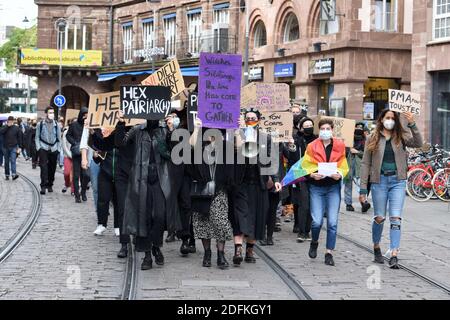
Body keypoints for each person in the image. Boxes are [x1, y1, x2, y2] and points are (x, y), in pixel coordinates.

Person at [359, 110, 423, 269]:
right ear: (381, 119)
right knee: (379, 217)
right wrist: (362, 189)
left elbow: (418, 142)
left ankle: (394, 253)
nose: (390, 121)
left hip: (397, 181)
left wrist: (412, 123)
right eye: (387, 118)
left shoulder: (401, 136)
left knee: (396, 218)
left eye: (393, 118)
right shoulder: (373, 137)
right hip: (378, 182)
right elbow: (365, 163)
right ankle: (376, 246)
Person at [115, 112, 172, 270]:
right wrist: (120, 124)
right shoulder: (137, 130)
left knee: (159, 216)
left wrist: (172, 131)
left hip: (160, 179)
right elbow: (120, 143)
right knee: (144, 217)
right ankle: (147, 255)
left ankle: (156, 245)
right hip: (141, 179)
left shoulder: (164, 130)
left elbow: (174, 151)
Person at [230, 109, 282, 265]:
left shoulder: (265, 139)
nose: (250, 120)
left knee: (256, 218)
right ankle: (238, 248)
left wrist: (276, 179)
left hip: (259, 184)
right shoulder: (237, 135)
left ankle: (250, 250)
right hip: (240, 183)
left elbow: (273, 160)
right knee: (239, 216)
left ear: (259, 120)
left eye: (253, 118)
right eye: (247, 118)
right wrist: (238, 133)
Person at [189, 119, 234, 269]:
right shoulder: (200, 148)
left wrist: (237, 129)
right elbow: (190, 145)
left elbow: (240, 148)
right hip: (202, 190)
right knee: (202, 223)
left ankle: (221, 254)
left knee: (220, 222)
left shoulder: (225, 148)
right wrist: (196, 128)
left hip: (219, 190)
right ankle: (207, 253)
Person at [306, 119, 349, 266]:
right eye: (322, 128)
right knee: (317, 221)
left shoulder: (340, 145)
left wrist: (340, 174)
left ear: (332, 130)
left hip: (333, 187)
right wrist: (312, 175)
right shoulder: (311, 146)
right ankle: (315, 241)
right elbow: (305, 166)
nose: (325, 130)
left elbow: (344, 165)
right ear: (319, 130)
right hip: (316, 187)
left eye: (327, 128)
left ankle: (329, 252)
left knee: (332, 222)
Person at [284, 117, 317, 242]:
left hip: (316, 175)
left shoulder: (317, 140)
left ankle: (306, 229)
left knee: (311, 204)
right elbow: (291, 157)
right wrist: (292, 146)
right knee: (303, 203)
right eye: (306, 125)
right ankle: (302, 230)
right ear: (301, 128)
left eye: (311, 124)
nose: (309, 127)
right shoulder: (296, 139)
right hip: (301, 174)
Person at [345, 122, 371, 213]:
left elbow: (368, 155)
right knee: (348, 185)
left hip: (359, 166)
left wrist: (357, 152)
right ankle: (348, 204)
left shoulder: (366, 141)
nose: (359, 129)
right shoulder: (348, 140)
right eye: (357, 128)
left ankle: (364, 202)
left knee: (361, 185)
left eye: (361, 128)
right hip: (348, 165)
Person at [35, 107, 61, 194]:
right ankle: (43, 186)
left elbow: (59, 138)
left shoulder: (57, 124)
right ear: (46, 113)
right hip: (43, 148)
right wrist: (39, 148)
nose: (51, 114)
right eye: (50, 112)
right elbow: (37, 137)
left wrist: (58, 149)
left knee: (52, 168)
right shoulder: (40, 124)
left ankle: (50, 184)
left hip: (53, 148)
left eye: (53, 112)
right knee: (43, 167)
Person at [66, 107, 89, 203]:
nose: (85, 117)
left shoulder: (88, 125)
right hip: (76, 153)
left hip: (87, 153)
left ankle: (83, 192)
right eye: (84, 115)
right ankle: (77, 195)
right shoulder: (74, 125)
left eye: (87, 115)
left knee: (86, 175)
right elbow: (68, 135)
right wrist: (74, 143)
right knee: (76, 175)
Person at [0, 116, 22, 180]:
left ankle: (13, 174)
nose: (10, 122)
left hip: (14, 147)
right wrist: (7, 126)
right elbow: (1, 132)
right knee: (6, 162)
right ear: (7, 121)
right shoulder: (4, 127)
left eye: (11, 121)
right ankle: (7, 175)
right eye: (9, 121)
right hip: (5, 147)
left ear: (13, 121)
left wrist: (20, 147)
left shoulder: (16, 128)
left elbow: (19, 138)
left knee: (13, 160)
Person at [61, 119, 74, 195]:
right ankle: (67, 184)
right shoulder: (66, 132)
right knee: (66, 173)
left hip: (76, 156)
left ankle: (73, 190)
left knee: (75, 174)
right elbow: (64, 146)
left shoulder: (79, 132)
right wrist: (70, 155)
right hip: (67, 155)